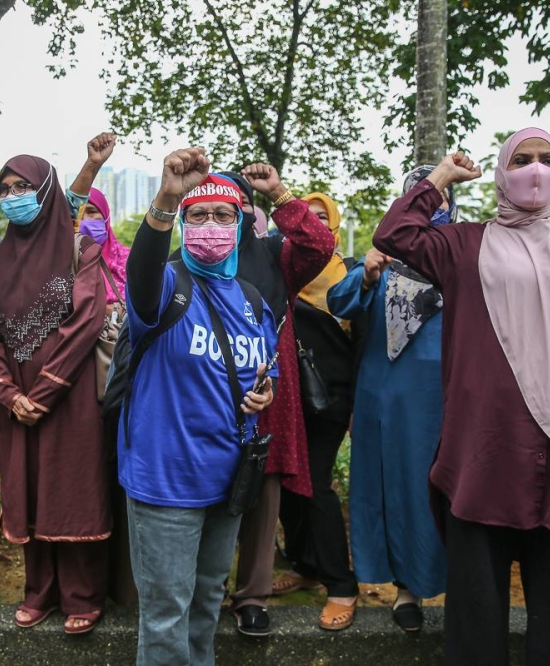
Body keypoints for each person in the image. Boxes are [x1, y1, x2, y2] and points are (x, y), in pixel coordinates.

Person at [373, 132, 550, 666]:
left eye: (547, 160)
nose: (535, 170)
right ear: (502, 172)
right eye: (521, 160)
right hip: (485, 453)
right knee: (476, 613)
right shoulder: (464, 244)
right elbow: (395, 234)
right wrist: (441, 177)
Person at [121, 149, 277, 665]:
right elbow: (140, 272)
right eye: (198, 215)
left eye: (223, 216)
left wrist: (264, 393)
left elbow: (265, 370)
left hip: (227, 480)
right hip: (166, 480)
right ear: (183, 224)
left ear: (242, 227)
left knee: (208, 600)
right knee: (166, 613)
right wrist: (167, 198)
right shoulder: (167, 286)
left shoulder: (253, 300)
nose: (211, 224)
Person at [0, 155, 111, 634]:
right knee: (28, 491)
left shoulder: (81, 248)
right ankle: (39, 593)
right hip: (17, 405)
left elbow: (87, 319)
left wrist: (47, 389)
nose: (13, 196)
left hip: (68, 398)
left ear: (47, 191)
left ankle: (82, 594)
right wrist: (9, 393)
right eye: (6, 187)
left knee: (70, 491)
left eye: (23, 186)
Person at [326, 167, 454, 633]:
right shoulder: (382, 254)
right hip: (385, 397)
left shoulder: (464, 255)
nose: (433, 205)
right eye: (423, 196)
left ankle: (467, 588)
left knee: (448, 494)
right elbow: (339, 301)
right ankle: (407, 591)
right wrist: (365, 277)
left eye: (441, 196)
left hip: (447, 398)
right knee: (398, 492)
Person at [215, 167, 334, 637]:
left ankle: (253, 598)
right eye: (209, 209)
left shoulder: (273, 254)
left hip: (265, 399)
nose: (222, 219)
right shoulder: (184, 259)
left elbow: (320, 245)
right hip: (204, 403)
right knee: (207, 498)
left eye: (236, 205)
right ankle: (209, 590)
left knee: (262, 499)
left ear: (248, 211)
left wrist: (279, 193)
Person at [275, 192, 362, 631]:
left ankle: (341, 583)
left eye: (321, 216)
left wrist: (356, 409)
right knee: (289, 483)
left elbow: (361, 342)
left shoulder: (349, 273)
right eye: (306, 215)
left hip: (331, 398)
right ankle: (304, 564)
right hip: (285, 397)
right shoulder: (282, 269)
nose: (313, 221)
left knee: (315, 485)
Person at [78, 187, 129, 310]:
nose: (84, 221)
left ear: (105, 216)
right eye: (78, 214)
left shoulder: (129, 260)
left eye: (91, 212)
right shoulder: (61, 262)